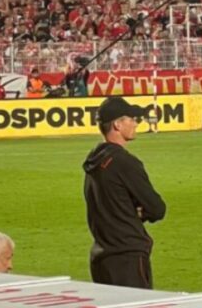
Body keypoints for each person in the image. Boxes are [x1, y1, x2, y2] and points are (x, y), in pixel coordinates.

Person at [83, 97, 166, 289]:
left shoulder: (93, 161)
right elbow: (157, 208)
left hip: (101, 255)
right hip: (127, 256)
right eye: (131, 119)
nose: (136, 123)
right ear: (117, 124)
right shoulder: (124, 162)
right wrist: (138, 212)